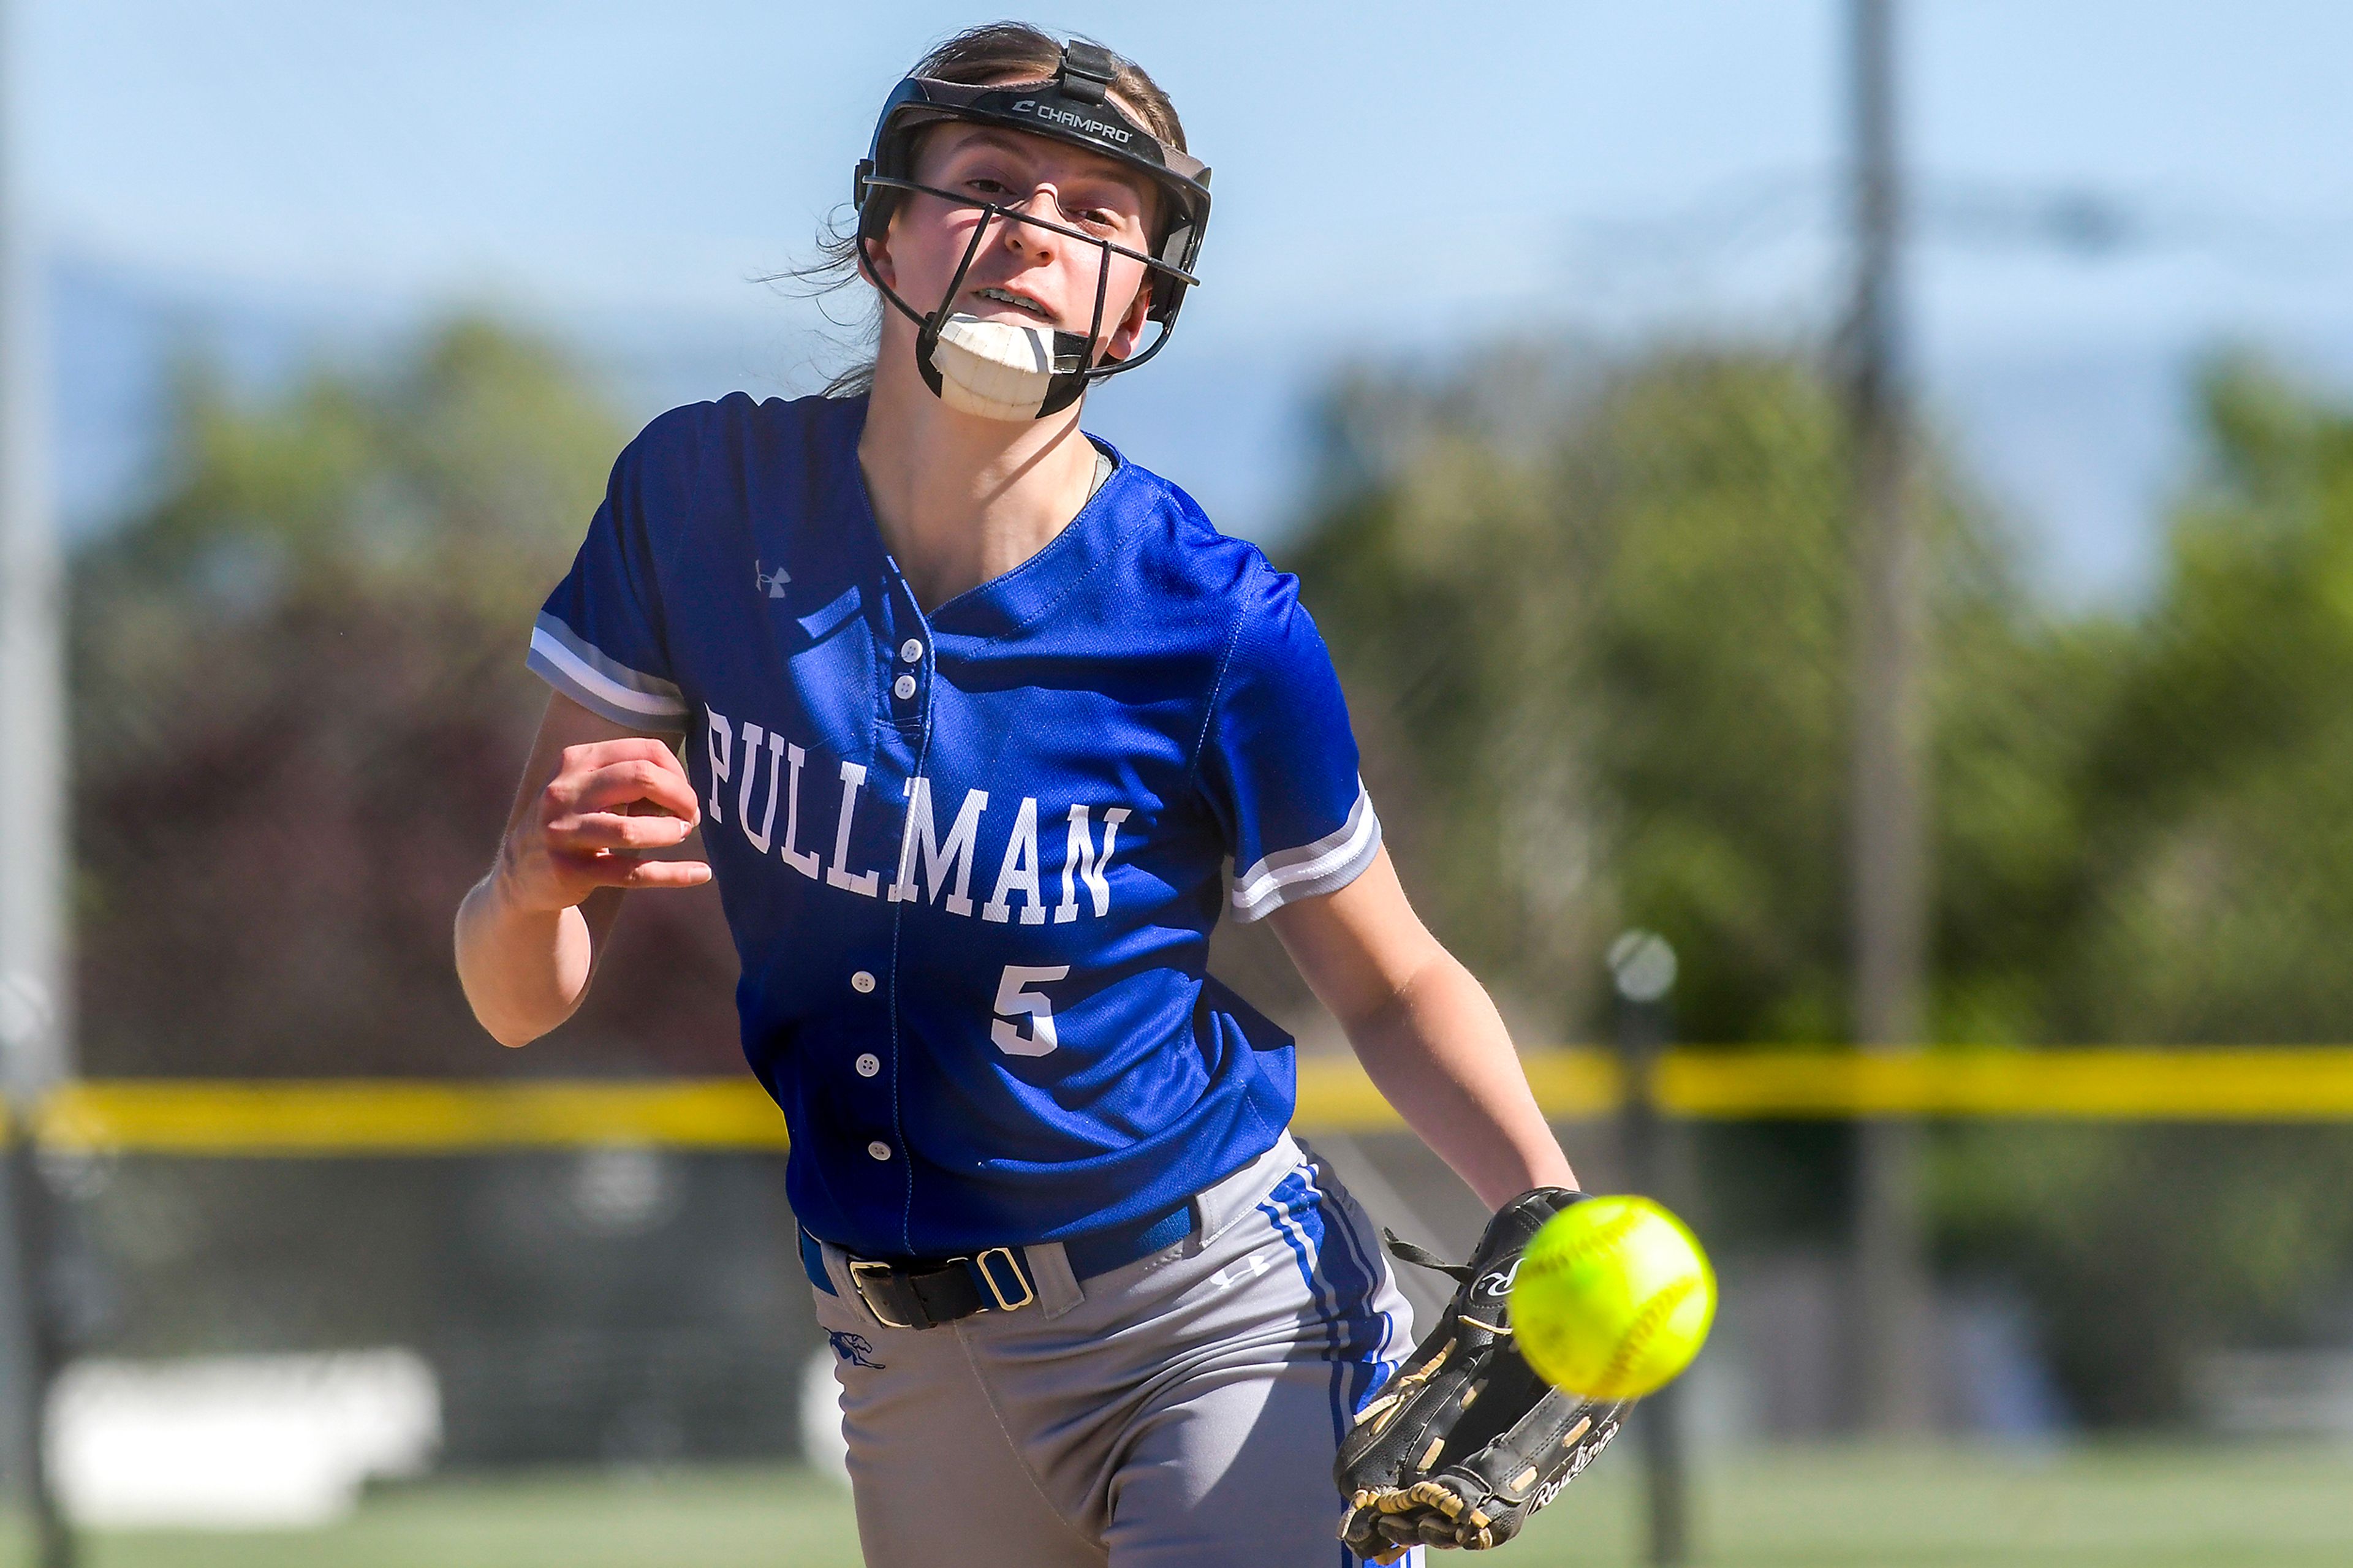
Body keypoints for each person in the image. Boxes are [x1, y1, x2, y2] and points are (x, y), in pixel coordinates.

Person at [454, 23, 1586, 1567]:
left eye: (1100, 216)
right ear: (883, 229)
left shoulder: (1212, 618)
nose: (1035, 237)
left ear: (1140, 309)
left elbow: (1387, 981)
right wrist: (525, 888)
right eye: (990, 180)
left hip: (1211, 1318)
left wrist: (1548, 1210)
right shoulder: (700, 500)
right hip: (898, 1355)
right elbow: (518, 998)